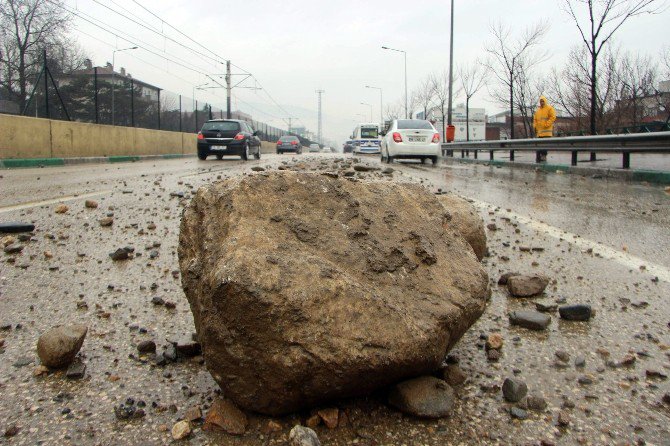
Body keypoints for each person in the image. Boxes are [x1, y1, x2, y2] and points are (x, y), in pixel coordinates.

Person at [533, 95, 556, 161]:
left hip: (547, 131)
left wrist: (547, 124)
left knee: (544, 145)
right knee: (539, 145)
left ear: (545, 101)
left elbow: (553, 117)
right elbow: (535, 119)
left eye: (543, 101)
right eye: (541, 101)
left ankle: (543, 156)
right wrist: (535, 126)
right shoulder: (538, 111)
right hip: (539, 132)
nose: (542, 102)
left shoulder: (549, 108)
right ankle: (539, 157)